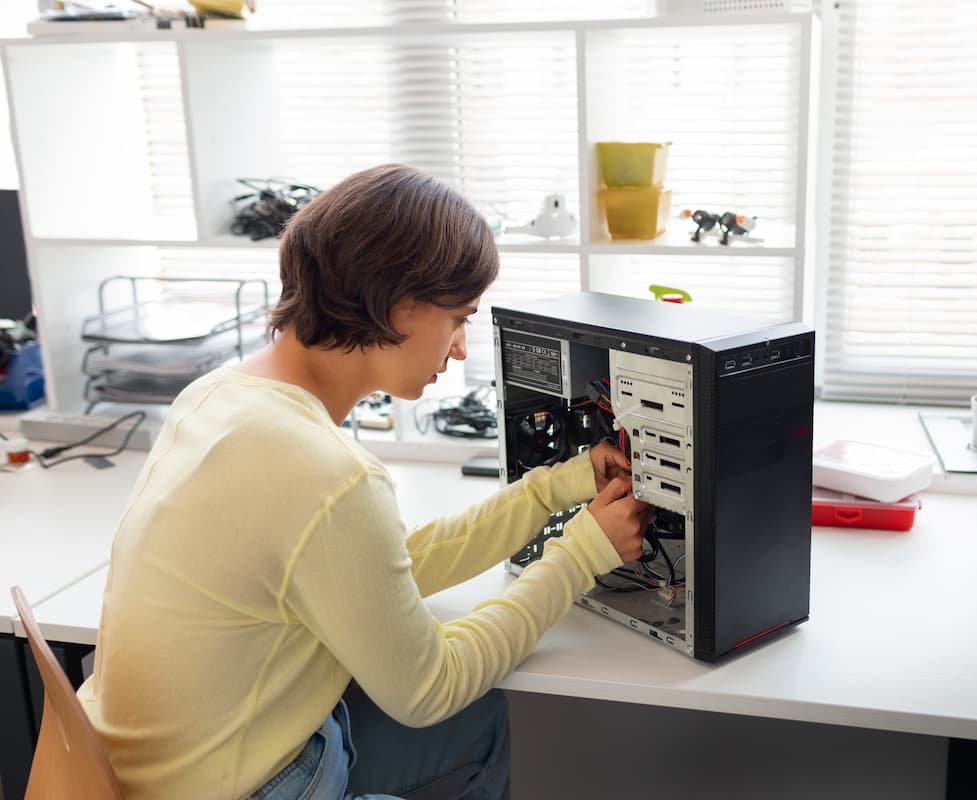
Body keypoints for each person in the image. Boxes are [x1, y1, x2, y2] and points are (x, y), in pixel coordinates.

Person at [77, 164, 655, 800]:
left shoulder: (215, 396)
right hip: (243, 787)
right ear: (399, 304)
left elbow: (372, 569)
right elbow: (429, 688)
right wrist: (582, 554)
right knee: (464, 706)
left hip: (148, 769)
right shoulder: (325, 475)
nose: (460, 348)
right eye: (458, 318)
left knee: (483, 719)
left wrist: (556, 487)